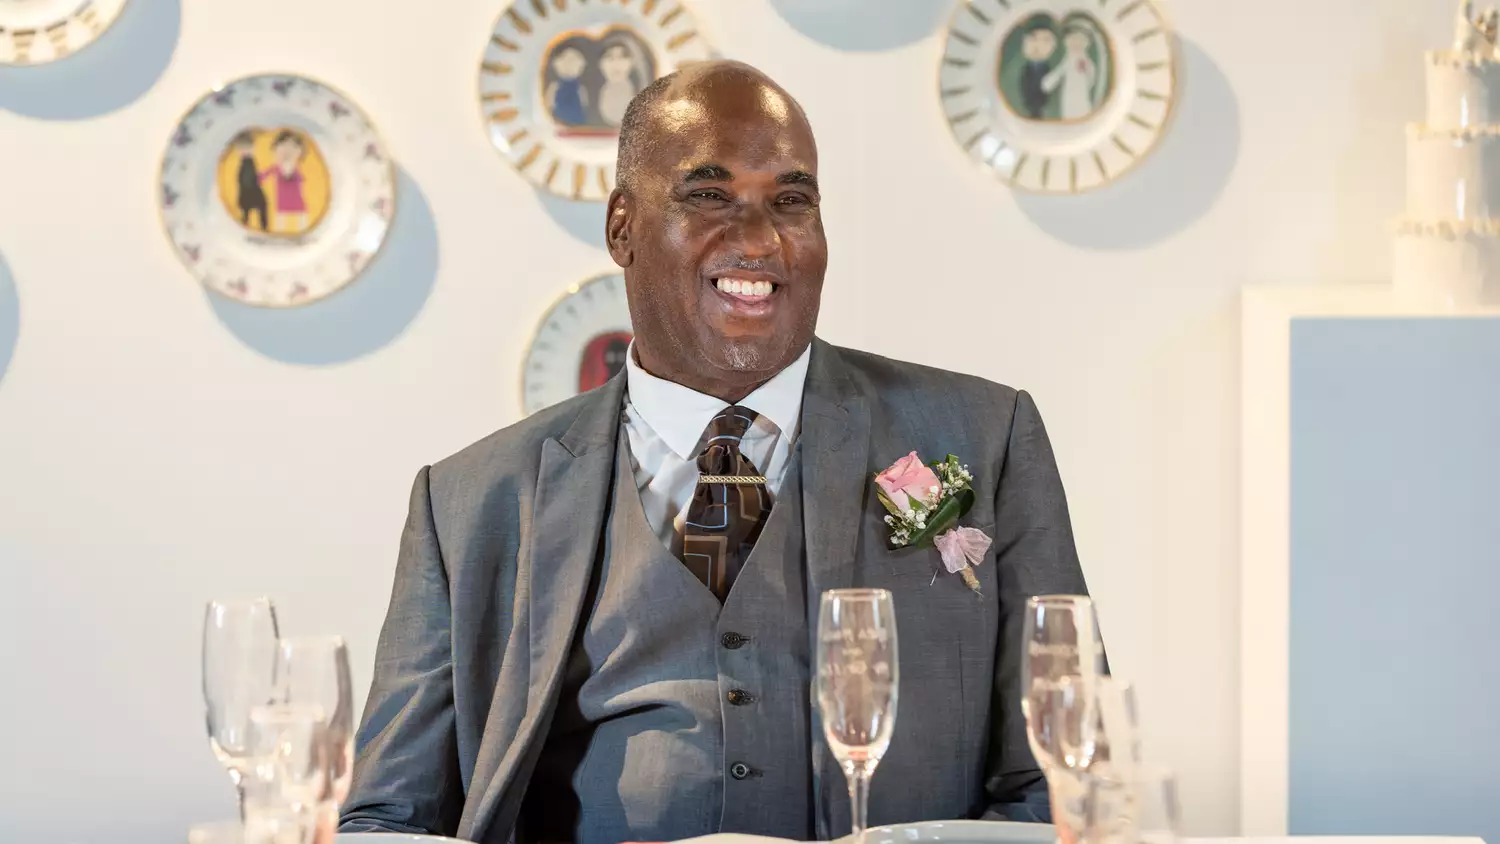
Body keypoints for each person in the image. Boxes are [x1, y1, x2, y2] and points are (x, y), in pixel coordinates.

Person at [340, 60, 1092, 844]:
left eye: (792, 201)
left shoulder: (983, 437)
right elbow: (387, 820)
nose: (761, 239)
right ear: (622, 228)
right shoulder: (469, 503)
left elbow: (1070, 775)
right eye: (709, 196)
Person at [1043, 26, 1100, 121]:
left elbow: (1092, 77)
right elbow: (1059, 72)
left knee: (1082, 113)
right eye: (1072, 39)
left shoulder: (1086, 62)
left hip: (1081, 95)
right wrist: (1048, 83)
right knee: (1068, 114)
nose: (1075, 43)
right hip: (1069, 95)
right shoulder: (1068, 60)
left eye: (1080, 40)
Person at [261, 130, 310, 235]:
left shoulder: (297, 170)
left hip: (296, 199)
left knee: (301, 216)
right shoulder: (276, 168)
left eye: (293, 147)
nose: (287, 150)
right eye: (283, 146)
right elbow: (263, 175)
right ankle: (279, 235)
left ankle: (304, 234)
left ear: (300, 152)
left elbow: (300, 180)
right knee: (281, 218)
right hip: (282, 200)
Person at [596, 35, 648, 128]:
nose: (616, 64)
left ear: (632, 62)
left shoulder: (642, 98)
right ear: (600, 63)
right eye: (609, 57)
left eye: (623, 57)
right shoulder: (589, 97)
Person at [1017, 22, 1059, 120]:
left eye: (1046, 40)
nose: (1037, 45)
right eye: (1033, 39)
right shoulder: (1025, 70)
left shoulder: (1048, 70)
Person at [230, 130, 269, 232]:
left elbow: (247, 177)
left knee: (257, 208)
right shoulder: (247, 162)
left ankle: (260, 228)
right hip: (249, 191)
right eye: (241, 148)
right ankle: (254, 227)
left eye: (247, 147)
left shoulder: (249, 161)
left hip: (249, 191)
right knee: (256, 208)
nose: (244, 150)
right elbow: (245, 178)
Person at [546, 45, 590, 128]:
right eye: (564, 59)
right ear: (555, 63)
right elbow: (549, 108)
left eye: (574, 60)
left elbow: (584, 107)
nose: (569, 64)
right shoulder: (554, 87)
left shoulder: (581, 89)